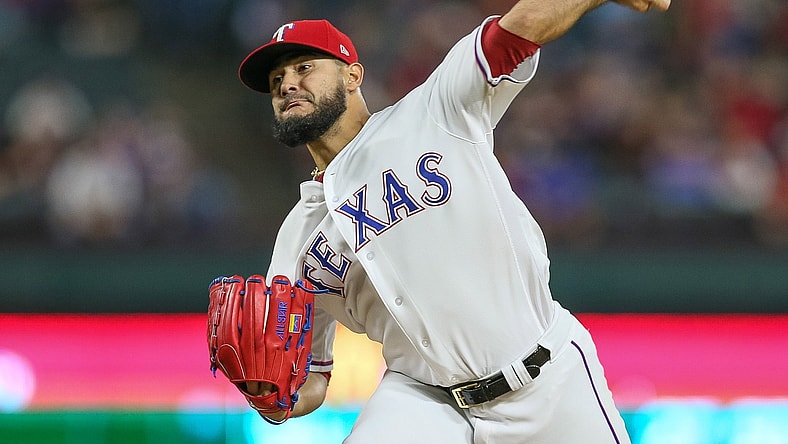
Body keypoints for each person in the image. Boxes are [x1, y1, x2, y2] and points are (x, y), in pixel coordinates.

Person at [234, 0, 670, 442]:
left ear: (352, 75)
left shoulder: (433, 111)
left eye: (304, 67)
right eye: (275, 81)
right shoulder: (296, 239)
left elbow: (519, 28)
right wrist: (273, 398)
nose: (287, 84)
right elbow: (309, 377)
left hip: (546, 377)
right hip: (424, 402)